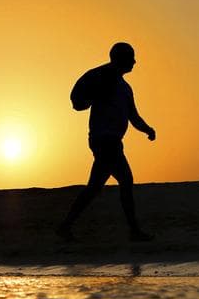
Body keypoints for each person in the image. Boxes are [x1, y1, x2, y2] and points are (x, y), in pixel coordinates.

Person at [57, 42, 156, 242]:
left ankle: (65, 226)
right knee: (125, 181)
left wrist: (147, 130)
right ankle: (134, 231)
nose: (135, 62)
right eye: (131, 57)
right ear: (121, 58)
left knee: (94, 187)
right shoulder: (103, 78)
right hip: (104, 140)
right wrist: (89, 100)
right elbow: (78, 100)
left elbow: (133, 116)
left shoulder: (125, 88)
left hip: (112, 141)